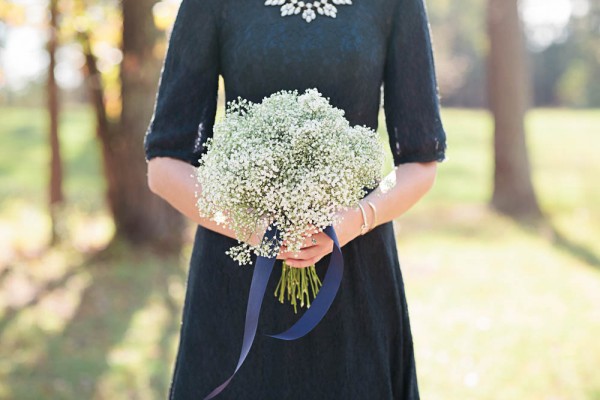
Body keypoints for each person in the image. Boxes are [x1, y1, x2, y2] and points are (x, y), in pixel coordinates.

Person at [144, 0, 447, 398]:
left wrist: (348, 223)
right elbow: (165, 166)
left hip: (355, 280)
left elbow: (421, 161)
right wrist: (257, 231)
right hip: (235, 283)